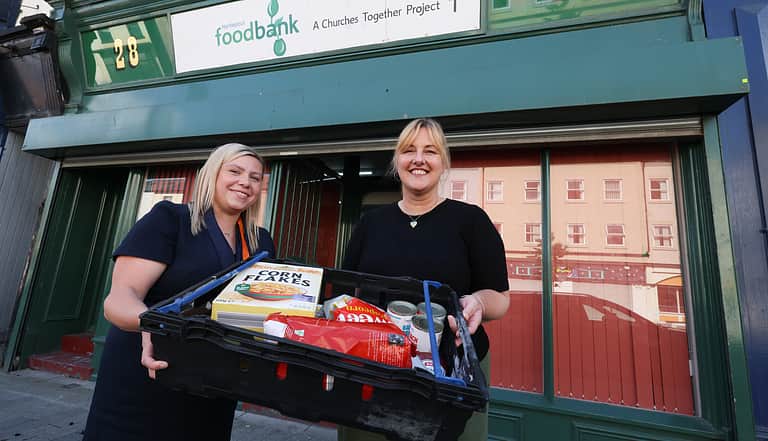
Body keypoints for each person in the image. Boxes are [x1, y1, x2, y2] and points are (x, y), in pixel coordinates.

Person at [83, 143, 276, 441]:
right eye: (235, 171)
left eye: (254, 177)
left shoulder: (261, 241)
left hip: (216, 378)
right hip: (150, 369)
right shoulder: (170, 219)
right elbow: (119, 297)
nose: (245, 182)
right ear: (212, 174)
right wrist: (150, 322)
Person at [340, 118, 510, 441]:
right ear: (397, 161)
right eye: (409, 151)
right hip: (375, 371)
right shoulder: (370, 224)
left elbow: (500, 298)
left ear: (443, 162)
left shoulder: (471, 221)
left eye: (430, 151)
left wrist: (477, 302)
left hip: (451, 378)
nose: (418, 159)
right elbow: (347, 294)